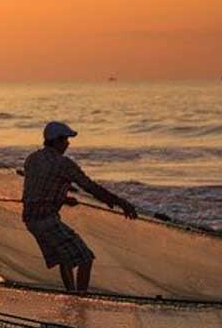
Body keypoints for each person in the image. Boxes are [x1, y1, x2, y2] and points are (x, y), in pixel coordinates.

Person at [20, 121, 138, 292]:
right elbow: (89, 186)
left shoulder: (32, 159)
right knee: (85, 258)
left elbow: (38, 188)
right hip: (46, 219)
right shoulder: (63, 163)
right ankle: (80, 298)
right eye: (66, 140)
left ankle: (72, 295)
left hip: (30, 219)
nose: (68, 144)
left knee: (65, 258)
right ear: (57, 141)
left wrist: (64, 199)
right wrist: (121, 203)